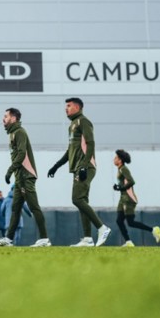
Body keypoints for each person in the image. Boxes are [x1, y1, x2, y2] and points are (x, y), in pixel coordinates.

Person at [47, 97, 111, 247]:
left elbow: (91, 143)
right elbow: (70, 150)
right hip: (78, 168)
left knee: (77, 199)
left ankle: (102, 228)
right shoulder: (72, 126)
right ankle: (87, 239)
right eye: (65, 106)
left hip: (86, 167)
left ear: (78, 107)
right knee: (82, 201)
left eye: (68, 106)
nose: (66, 108)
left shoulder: (83, 121)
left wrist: (83, 165)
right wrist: (56, 166)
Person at [0, 108, 50, 247]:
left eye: (5, 116)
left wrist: (10, 170)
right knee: (15, 209)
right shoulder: (12, 134)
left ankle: (44, 239)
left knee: (34, 207)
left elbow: (22, 154)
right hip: (19, 178)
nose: (3, 119)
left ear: (13, 118)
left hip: (26, 176)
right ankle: (8, 239)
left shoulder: (20, 132)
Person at [113, 149, 160, 247]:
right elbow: (124, 183)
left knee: (130, 222)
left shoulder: (123, 169)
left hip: (128, 199)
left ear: (120, 160)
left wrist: (121, 188)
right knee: (119, 221)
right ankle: (128, 242)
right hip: (122, 199)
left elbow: (131, 181)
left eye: (116, 158)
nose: (114, 159)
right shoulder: (120, 169)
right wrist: (118, 187)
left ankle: (154, 230)